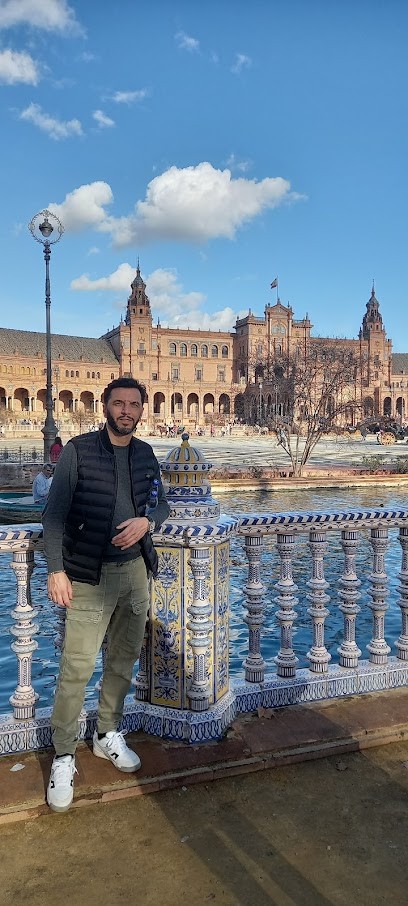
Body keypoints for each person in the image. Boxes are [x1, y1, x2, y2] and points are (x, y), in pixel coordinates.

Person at [42, 377, 170, 813]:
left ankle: (106, 733)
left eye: (134, 405)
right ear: (106, 406)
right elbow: (54, 515)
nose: (127, 411)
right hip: (88, 576)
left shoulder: (146, 454)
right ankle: (63, 754)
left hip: (135, 572)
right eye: (119, 404)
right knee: (75, 668)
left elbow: (162, 502)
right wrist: (56, 570)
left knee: (122, 660)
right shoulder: (78, 451)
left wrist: (146, 522)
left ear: (141, 409)